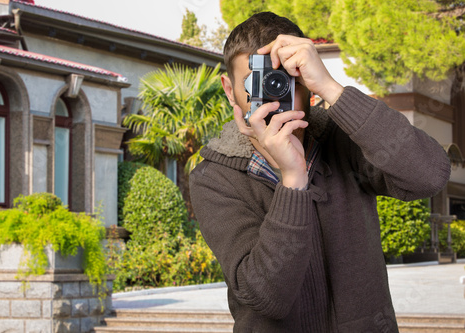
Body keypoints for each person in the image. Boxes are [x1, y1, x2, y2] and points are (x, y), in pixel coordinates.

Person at [189, 11, 451, 332]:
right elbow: (266, 297)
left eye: (287, 80)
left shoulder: (345, 138)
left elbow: (430, 175)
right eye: (256, 82)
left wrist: (332, 89)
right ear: (229, 90)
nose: (275, 94)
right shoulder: (214, 177)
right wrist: (293, 180)